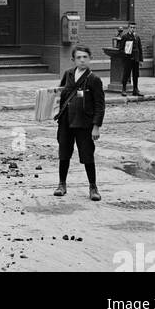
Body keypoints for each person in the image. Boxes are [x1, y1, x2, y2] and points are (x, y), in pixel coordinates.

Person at [53, 44, 105, 201]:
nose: (82, 60)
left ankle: (93, 187)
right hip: (66, 122)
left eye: (85, 57)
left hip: (84, 124)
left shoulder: (94, 79)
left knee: (87, 155)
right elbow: (60, 95)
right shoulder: (68, 74)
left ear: (90, 59)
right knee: (64, 154)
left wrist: (96, 126)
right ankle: (62, 184)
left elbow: (99, 104)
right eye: (78, 58)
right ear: (73, 60)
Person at [120, 24, 143, 97]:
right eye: (131, 27)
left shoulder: (137, 37)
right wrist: (125, 54)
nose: (132, 29)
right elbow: (121, 49)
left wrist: (140, 60)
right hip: (128, 59)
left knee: (136, 75)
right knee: (126, 74)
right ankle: (124, 89)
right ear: (128, 28)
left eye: (134, 28)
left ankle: (135, 89)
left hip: (135, 59)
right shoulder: (125, 37)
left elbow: (140, 48)